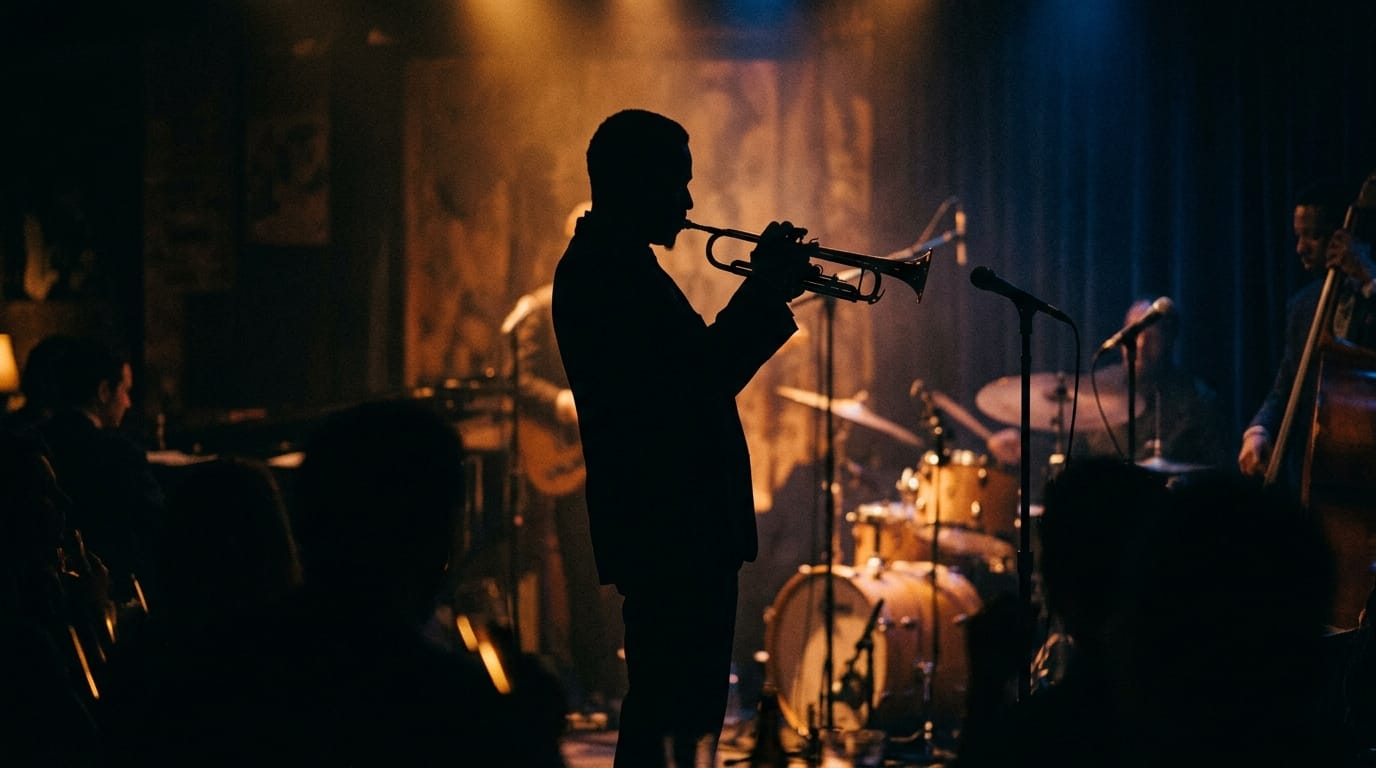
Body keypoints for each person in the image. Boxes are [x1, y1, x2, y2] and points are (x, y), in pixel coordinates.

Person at [551, 108, 814, 767]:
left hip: (674, 526)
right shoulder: (605, 269)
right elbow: (699, 382)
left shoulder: (619, 263)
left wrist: (764, 292)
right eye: (679, 184)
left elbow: (692, 375)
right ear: (638, 181)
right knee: (670, 716)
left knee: (676, 712)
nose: (690, 202)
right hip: (669, 526)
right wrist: (763, 291)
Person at [509, 200, 628, 721]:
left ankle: (620, 684)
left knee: (619, 574)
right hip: (569, 458)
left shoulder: (623, 306)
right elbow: (519, 379)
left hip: (614, 456)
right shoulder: (540, 306)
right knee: (585, 573)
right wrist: (562, 402)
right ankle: (594, 683)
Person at [1238, 175, 1376, 486]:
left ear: (1345, 236)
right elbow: (1286, 385)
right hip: (1318, 475)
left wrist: (1368, 276)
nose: (1301, 248)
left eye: (1314, 235)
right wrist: (1259, 430)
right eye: (1298, 236)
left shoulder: (1372, 286)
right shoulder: (1302, 305)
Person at [35, 336, 163, 607]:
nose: (128, 403)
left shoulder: (31, 444)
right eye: (125, 391)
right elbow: (155, 526)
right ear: (104, 392)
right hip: (109, 595)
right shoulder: (120, 454)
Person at [1079, 296, 1228, 468]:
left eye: (1152, 336)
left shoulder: (1198, 400)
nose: (1141, 344)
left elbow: (1215, 468)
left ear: (1170, 340)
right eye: (1134, 333)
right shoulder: (1096, 390)